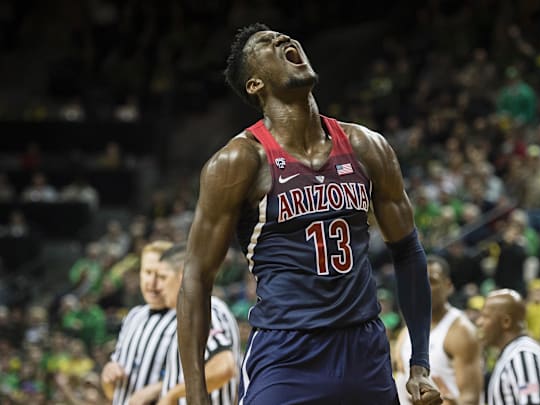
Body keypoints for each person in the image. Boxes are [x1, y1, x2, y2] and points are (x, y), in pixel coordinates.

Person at [177, 23, 440, 405]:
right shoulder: (238, 161)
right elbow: (196, 279)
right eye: (267, 43)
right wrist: (198, 397)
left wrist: (419, 364)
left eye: (283, 36)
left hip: (364, 349)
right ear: (255, 85)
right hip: (287, 353)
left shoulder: (367, 146)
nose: (282, 39)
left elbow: (408, 250)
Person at [154, 243, 241, 405]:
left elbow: (224, 367)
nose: (158, 286)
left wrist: (172, 395)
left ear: (181, 276)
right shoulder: (196, 311)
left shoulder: (203, 310)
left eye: (163, 278)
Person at [395, 256, 483, 404]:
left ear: (448, 285)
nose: (423, 287)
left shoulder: (461, 330)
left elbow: (471, 398)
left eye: (431, 281)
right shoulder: (406, 333)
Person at [101, 240, 176, 405]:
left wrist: (159, 389)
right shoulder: (134, 316)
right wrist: (108, 374)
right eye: (147, 272)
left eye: (161, 275)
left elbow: (204, 381)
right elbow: (112, 392)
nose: (152, 282)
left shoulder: (188, 322)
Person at [477, 289, 540, 405]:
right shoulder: (511, 353)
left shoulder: (524, 356)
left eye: (485, 317)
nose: (479, 322)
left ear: (506, 322)